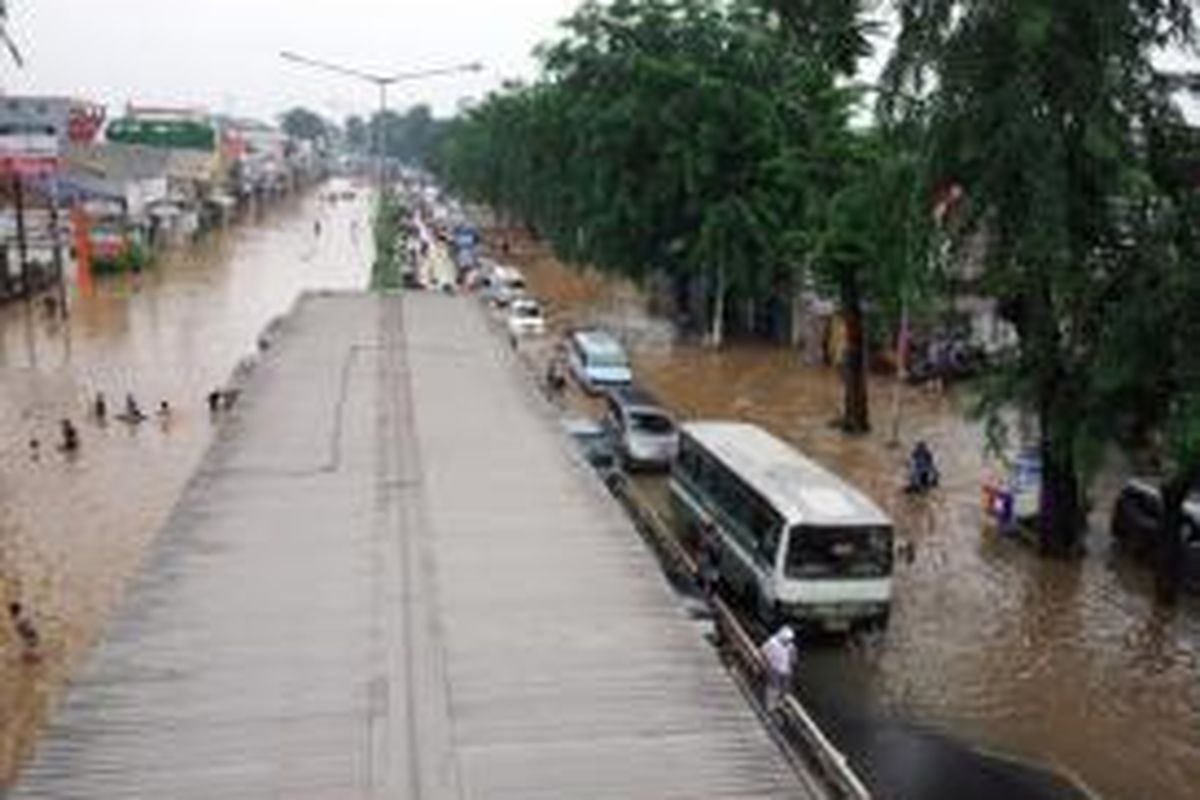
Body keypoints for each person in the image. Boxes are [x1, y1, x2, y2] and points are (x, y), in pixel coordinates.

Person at [760, 624, 797, 713]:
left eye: (789, 639)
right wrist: (767, 663)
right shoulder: (772, 642)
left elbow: (793, 658)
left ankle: (780, 703)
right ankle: (770, 706)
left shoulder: (791, 646)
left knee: (785, 688)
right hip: (774, 668)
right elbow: (763, 651)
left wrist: (792, 664)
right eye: (787, 639)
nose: (788, 641)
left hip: (786, 669)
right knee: (773, 687)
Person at [697, 521, 721, 601]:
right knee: (708, 582)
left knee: (713, 583)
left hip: (712, 564)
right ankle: (706, 599)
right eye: (713, 531)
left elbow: (718, 552)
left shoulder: (715, 539)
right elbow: (702, 550)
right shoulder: (707, 539)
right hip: (708, 564)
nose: (715, 532)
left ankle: (708, 598)